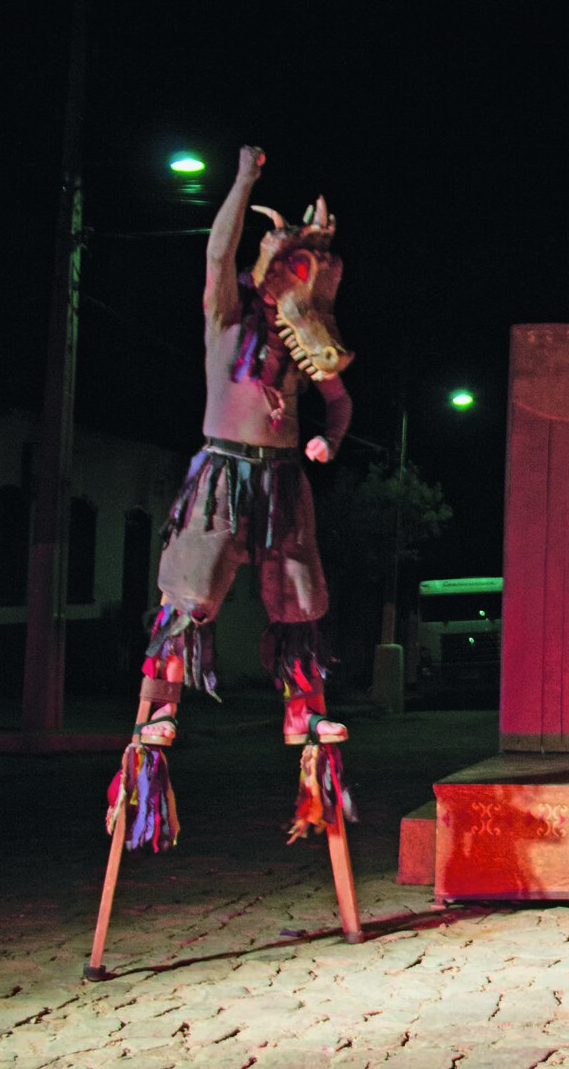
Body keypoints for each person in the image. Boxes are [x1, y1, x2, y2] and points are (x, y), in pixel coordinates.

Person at [119, 146, 354, 826]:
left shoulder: (304, 336)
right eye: (283, 265)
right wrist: (244, 179)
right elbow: (218, 256)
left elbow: (339, 403)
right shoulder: (227, 317)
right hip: (223, 474)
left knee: (299, 603)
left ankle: (303, 715)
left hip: (283, 481)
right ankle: (161, 711)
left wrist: (328, 440)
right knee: (190, 597)